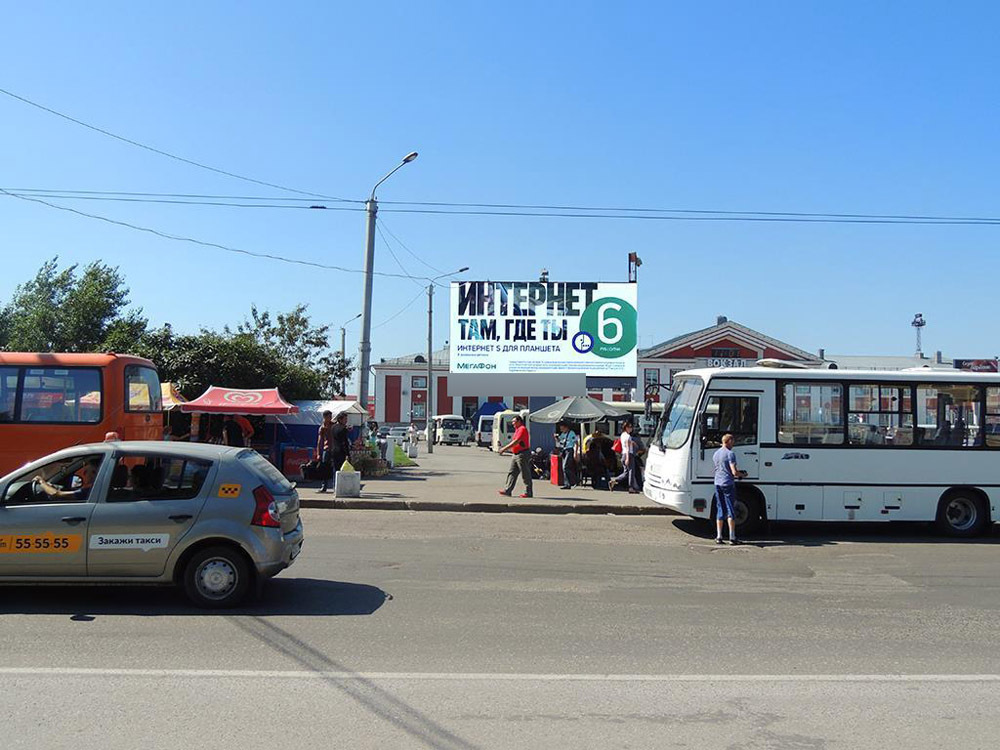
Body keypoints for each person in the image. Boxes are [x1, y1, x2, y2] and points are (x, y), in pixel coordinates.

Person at [713, 433, 747, 545]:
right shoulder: (730, 454)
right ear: (728, 441)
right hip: (728, 483)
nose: (733, 444)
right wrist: (742, 474)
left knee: (720, 509)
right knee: (730, 510)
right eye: (732, 441)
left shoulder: (716, 454)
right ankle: (732, 537)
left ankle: (719, 536)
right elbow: (734, 472)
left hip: (717, 483)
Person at [498, 415, 532, 498]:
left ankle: (528, 492)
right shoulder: (517, 430)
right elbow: (515, 442)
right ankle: (508, 490)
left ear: (519, 421)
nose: (512, 423)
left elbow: (516, 441)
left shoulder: (522, 429)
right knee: (512, 473)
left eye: (514, 421)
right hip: (516, 454)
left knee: (525, 474)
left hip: (522, 454)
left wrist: (504, 449)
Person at [34, 460, 100, 502]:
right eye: (85, 472)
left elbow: (55, 494)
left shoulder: (90, 491)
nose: (87, 474)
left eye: (93, 472)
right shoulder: (96, 489)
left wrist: (41, 481)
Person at [609, 420, 640, 494]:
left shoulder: (623, 435)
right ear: (626, 428)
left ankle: (614, 481)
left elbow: (626, 444)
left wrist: (632, 443)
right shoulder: (628, 436)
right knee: (631, 472)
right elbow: (627, 447)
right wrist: (627, 458)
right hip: (628, 455)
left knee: (626, 472)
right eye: (630, 427)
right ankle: (631, 487)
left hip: (623, 455)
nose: (631, 429)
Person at [316, 410, 335, 493]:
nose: (330, 418)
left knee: (334, 468)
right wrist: (318, 453)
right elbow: (320, 441)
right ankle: (324, 486)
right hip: (326, 449)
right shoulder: (322, 428)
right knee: (325, 468)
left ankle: (335, 486)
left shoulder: (333, 425)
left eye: (331, 417)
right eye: (329, 417)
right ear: (325, 417)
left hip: (334, 449)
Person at [558, 422, 578, 489]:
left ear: (566, 427)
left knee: (565, 467)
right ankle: (567, 484)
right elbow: (560, 441)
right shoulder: (563, 434)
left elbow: (576, 442)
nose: (561, 430)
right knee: (565, 468)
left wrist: (575, 452)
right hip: (564, 450)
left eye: (562, 429)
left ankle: (575, 480)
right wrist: (556, 438)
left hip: (569, 450)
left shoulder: (571, 433)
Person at [330, 412, 352, 476]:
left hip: (334, 450)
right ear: (340, 419)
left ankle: (335, 484)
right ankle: (341, 484)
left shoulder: (333, 427)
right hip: (341, 452)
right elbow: (345, 442)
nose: (346, 421)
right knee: (343, 470)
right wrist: (347, 454)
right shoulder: (343, 429)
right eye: (345, 419)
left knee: (336, 470)